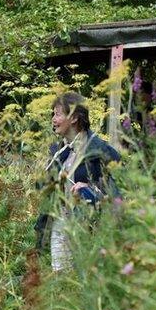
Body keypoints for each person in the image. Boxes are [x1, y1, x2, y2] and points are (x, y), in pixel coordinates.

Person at [43, 91, 120, 272]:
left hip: (89, 227)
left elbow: (118, 193)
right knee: (61, 279)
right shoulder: (58, 150)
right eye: (53, 114)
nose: (53, 119)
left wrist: (90, 190)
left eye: (58, 114)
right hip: (62, 221)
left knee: (85, 279)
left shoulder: (100, 150)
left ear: (75, 117)